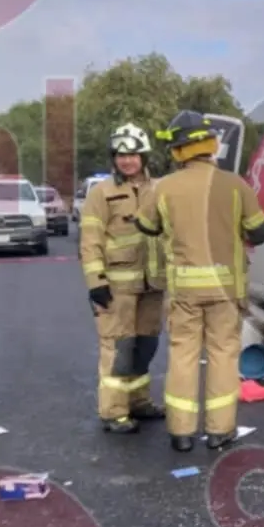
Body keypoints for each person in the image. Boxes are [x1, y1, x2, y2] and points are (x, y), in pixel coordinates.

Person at [135, 110, 264, 452]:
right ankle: (219, 431)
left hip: (184, 292)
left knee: (183, 356)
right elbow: (261, 231)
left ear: (178, 150)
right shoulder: (236, 185)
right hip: (227, 292)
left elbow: (146, 226)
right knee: (224, 357)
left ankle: (181, 433)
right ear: (212, 145)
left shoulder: (164, 187)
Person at [80, 124, 168, 433]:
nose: (127, 161)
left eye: (132, 155)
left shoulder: (159, 189)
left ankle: (139, 402)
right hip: (117, 288)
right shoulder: (100, 194)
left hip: (153, 286)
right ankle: (114, 411)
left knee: (145, 347)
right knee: (119, 350)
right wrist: (96, 283)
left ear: (144, 157)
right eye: (120, 155)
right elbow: (90, 241)